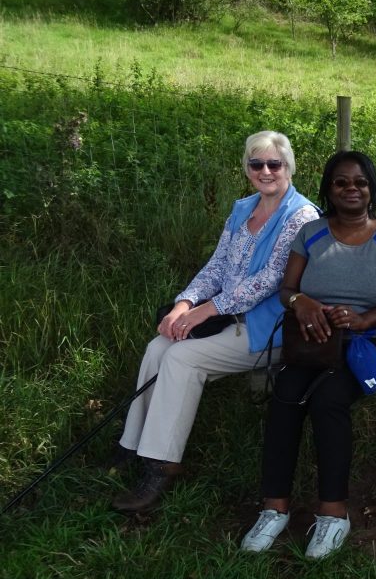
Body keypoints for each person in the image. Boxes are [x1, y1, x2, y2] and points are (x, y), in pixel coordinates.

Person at [112, 131, 318, 513]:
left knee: (182, 359)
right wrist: (184, 304)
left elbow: (271, 280)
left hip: (266, 329)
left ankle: (161, 464)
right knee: (158, 348)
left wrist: (207, 310)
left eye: (274, 164)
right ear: (247, 168)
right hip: (224, 317)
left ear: (288, 166)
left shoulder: (301, 216)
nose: (266, 171)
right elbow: (217, 265)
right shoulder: (243, 209)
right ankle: (133, 445)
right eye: (256, 163)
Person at [240, 150, 376, 559]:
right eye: (341, 182)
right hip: (315, 339)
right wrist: (301, 302)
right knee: (286, 395)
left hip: (371, 340)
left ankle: (333, 514)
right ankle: (274, 508)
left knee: (329, 398)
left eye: (360, 182)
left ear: (371, 189)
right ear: (329, 189)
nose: (351, 189)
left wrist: (363, 319)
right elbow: (287, 290)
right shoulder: (312, 233)